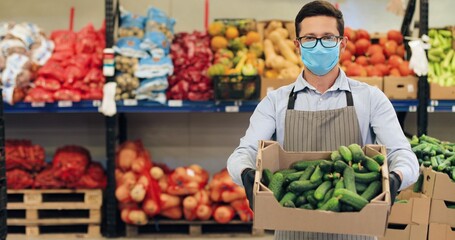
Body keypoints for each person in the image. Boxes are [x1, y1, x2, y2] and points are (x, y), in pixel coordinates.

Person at [226, 1, 420, 239]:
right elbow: (242, 152)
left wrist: (395, 177)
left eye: (328, 37)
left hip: (356, 229)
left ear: (343, 43)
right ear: (297, 45)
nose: (318, 46)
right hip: (293, 228)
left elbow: (404, 154)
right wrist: (245, 173)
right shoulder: (275, 102)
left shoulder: (371, 98)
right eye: (309, 38)